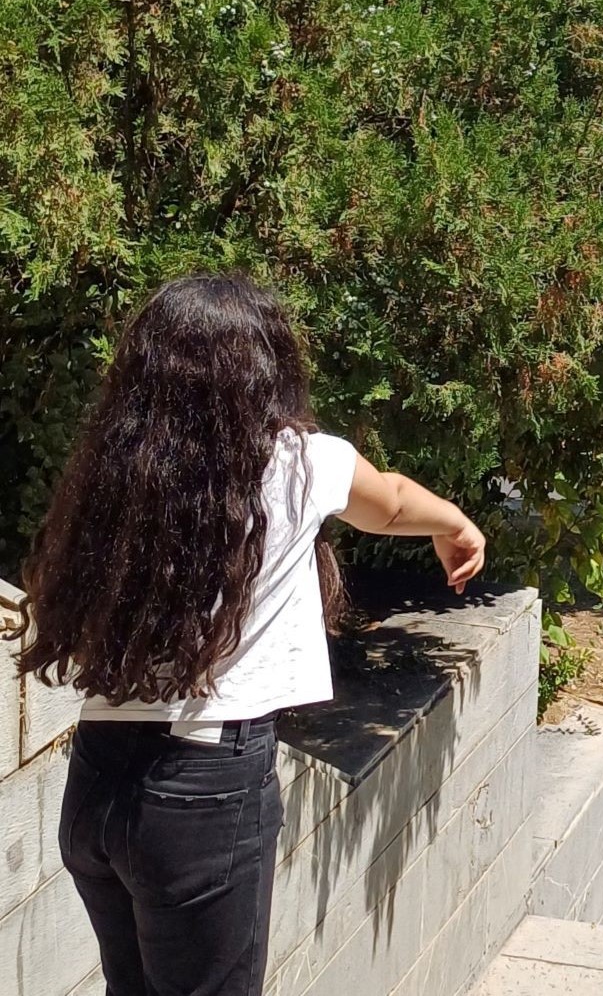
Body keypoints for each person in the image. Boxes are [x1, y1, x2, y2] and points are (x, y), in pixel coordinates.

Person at [12, 274, 486, 996]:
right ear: (267, 368)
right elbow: (390, 502)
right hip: (204, 792)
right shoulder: (299, 461)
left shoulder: (118, 474)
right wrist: (456, 524)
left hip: (97, 782)